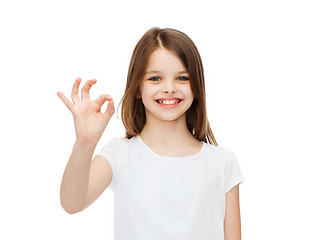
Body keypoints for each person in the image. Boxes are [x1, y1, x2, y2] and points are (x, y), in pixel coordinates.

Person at [57, 27, 244, 240]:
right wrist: (84, 143)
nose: (169, 88)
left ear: (196, 86)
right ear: (137, 87)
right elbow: (71, 203)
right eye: (155, 78)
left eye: (182, 78)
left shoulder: (222, 162)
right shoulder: (119, 155)